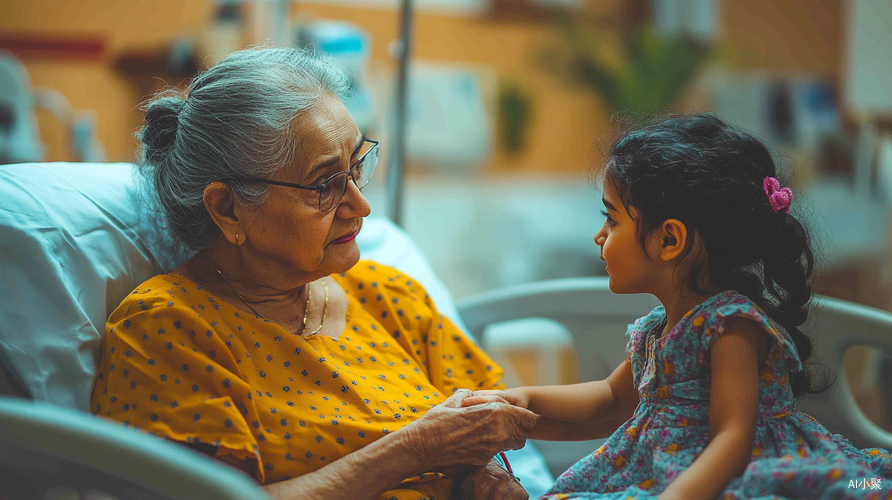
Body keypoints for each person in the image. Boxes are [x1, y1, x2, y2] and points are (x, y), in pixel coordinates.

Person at [89, 47, 539, 500]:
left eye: (356, 167)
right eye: (324, 184)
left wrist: (492, 476)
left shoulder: (389, 296)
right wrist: (417, 447)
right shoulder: (167, 330)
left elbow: (491, 426)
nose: (360, 206)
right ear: (228, 209)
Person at [463, 114, 892, 499]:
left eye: (612, 220)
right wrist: (519, 401)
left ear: (670, 239)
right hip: (667, 469)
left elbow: (733, 438)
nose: (599, 236)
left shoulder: (729, 326)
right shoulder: (657, 328)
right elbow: (611, 400)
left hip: (734, 474)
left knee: (862, 486)